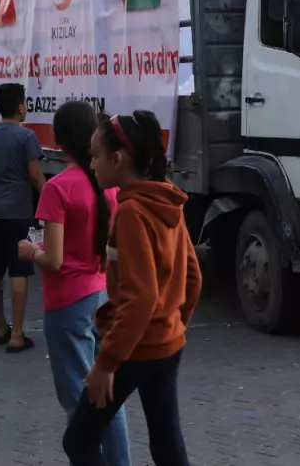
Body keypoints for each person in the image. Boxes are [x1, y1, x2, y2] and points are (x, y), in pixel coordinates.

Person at [62, 111, 201, 466]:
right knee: (167, 443)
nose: (91, 164)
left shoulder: (131, 212)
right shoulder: (169, 199)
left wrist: (107, 364)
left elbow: (140, 299)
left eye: (94, 156)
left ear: (117, 159)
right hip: (167, 343)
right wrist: (174, 324)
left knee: (78, 440)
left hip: (135, 349)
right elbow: (193, 277)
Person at [17, 102, 131, 465]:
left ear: (56, 138)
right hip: (102, 293)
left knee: (78, 402)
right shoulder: (110, 186)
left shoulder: (58, 188)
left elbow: (53, 259)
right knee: (106, 396)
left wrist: (29, 251)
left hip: (68, 302)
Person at [0, 82, 46, 354]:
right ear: (20, 107)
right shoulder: (26, 137)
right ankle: (17, 333)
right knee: (19, 270)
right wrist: (51, 198)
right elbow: (35, 174)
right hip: (17, 212)